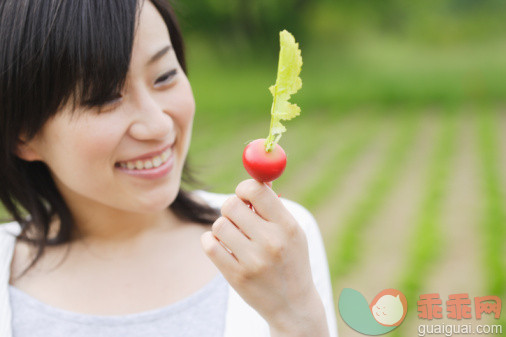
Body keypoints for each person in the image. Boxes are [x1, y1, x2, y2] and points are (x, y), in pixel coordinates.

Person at [0, 1, 338, 336]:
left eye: (164, 76)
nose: (159, 124)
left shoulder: (275, 246)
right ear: (24, 135)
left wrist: (296, 318)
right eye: (103, 98)